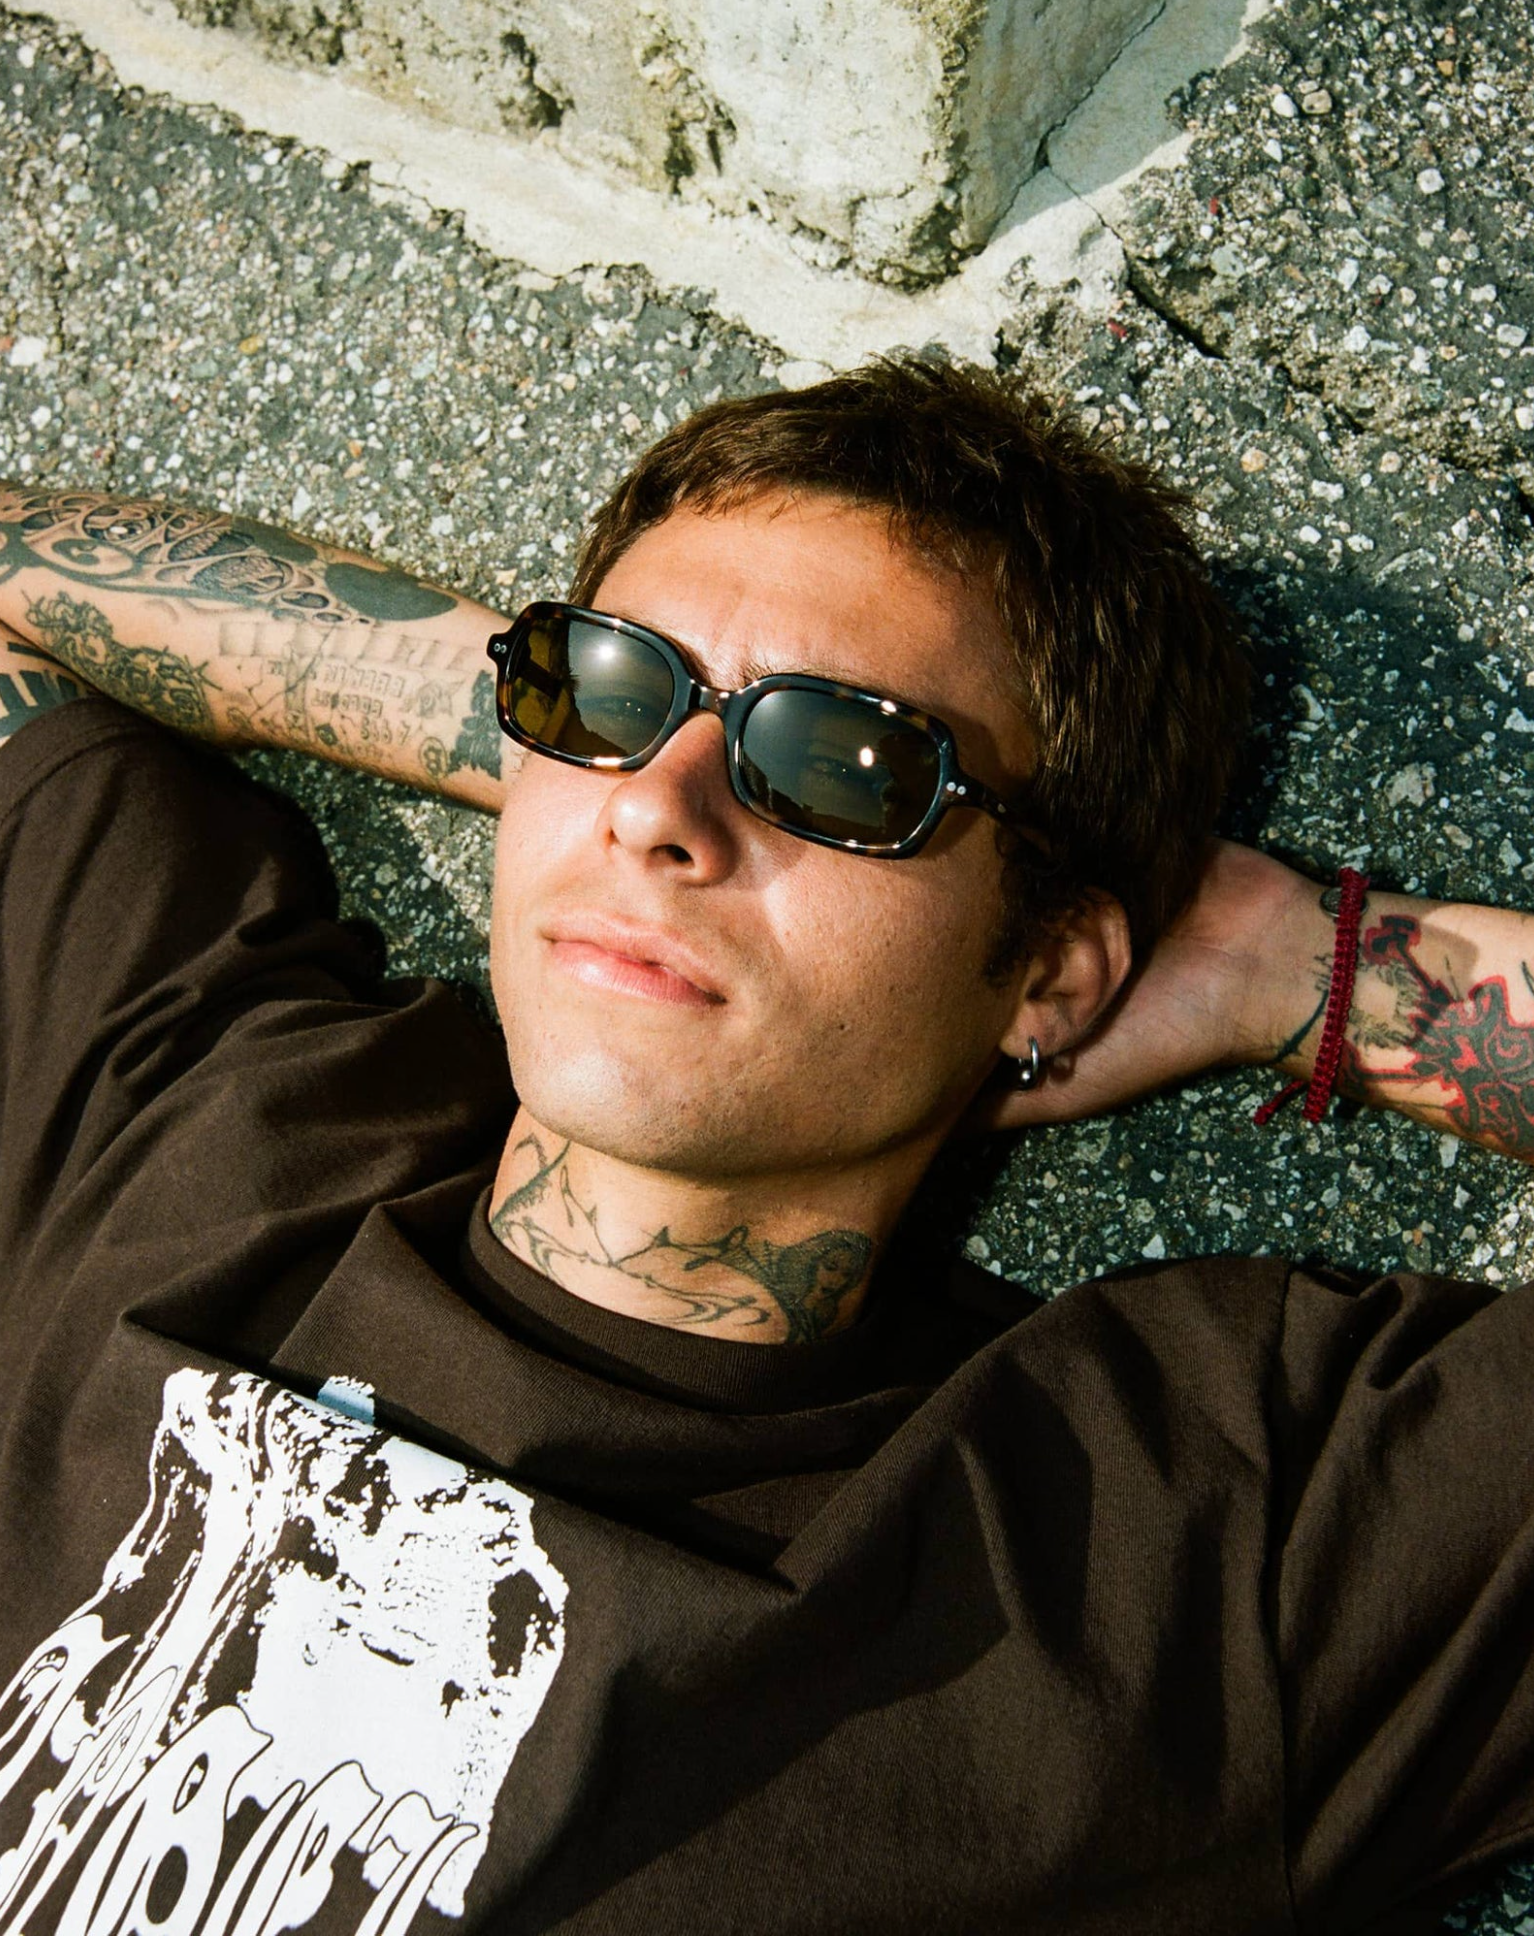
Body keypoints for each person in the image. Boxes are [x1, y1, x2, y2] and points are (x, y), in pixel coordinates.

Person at [0, 356, 1530, 1936]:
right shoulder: (200, 1133)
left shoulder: (1169, 1543)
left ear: (1051, 973)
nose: (657, 811)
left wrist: (1295, 966)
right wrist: (557, 735)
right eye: (604, 689)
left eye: (840, 766)